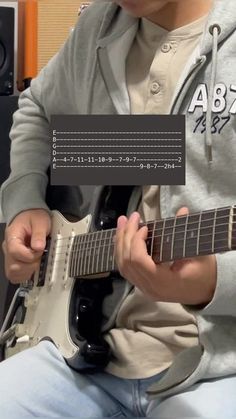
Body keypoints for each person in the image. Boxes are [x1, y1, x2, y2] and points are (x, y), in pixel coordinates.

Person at [0, 0, 236, 416]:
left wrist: (214, 284)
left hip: (216, 363)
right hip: (88, 346)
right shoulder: (100, 27)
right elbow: (36, 110)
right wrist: (25, 202)